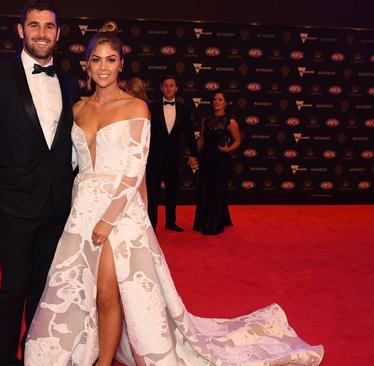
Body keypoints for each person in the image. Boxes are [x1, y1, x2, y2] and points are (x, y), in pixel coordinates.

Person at [25, 25, 324, 366]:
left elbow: (135, 170)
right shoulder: (77, 109)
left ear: (122, 63)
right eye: (96, 60)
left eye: (111, 59)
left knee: (108, 293)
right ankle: (86, 351)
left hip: (117, 213)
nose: (104, 67)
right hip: (82, 209)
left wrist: (109, 219)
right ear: (86, 65)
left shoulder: (136, 107)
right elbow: (70, 163)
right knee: (83, 292)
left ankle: (103, 362)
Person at [0, 0, 80, 364]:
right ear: (20, 30)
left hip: (57, 204)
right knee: (12, 289)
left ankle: (35, 352)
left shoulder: (70, 83)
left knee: (42, 289)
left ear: (58, 34)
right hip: (11, 203)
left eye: (48, 26)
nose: (41, 33)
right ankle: (4, 359)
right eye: (34, 25)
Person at [146, 76, 198, 231]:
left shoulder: (183, 109)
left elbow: (189, 133)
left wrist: (194, 154)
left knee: (172, 191)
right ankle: (151, 224)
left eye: (171, 86)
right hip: (154, 157)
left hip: (174, 157)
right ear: (161, 88)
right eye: (166, 86)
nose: (168, 88)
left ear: (176, 88)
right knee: (152, 193)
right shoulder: (152, 108)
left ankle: (170, 222)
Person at [193, 91, 240, 235]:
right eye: (215, 99)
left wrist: (228, 149)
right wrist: (193, 154)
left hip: (221, 160)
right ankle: (203, 221)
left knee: (218, 191)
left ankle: (215, 224)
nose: (217, 102)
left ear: (225, 103)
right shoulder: (206, 120)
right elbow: (201, 139)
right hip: (206, 159)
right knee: (205, 190)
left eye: (220, 99)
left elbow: (238, 141)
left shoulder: (230, 121)